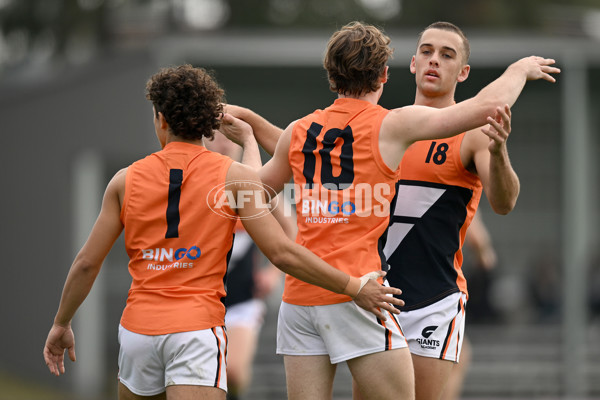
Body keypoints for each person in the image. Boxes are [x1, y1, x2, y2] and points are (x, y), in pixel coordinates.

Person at [221, 21, 559, 400]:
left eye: (447, 55)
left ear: (463, 72)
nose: (435, 61)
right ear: (407, 66)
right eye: (427, 52)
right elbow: (308, 152)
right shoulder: (390, 125)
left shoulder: (463, 132)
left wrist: (498, 153)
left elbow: (504, 202)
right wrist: (517, 72)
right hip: (370, 293)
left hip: (430, 300)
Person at [42, 64, 404, 400]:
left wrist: (61, 322)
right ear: (205, 122)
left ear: (161, 120)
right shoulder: (231, 177)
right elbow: (281, 251)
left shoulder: (124, 179)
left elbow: (88, 263)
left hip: (138, 332)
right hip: (196, 332)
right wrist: (353, 286)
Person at [205, 131, 290, 400]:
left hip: (243, 299)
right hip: (201, 299)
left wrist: (273, 273)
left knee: (234, 373)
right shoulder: (199, 183)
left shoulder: (254, 184)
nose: (223, 143)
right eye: (214, 137)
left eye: (228, 138)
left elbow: (291, 228)